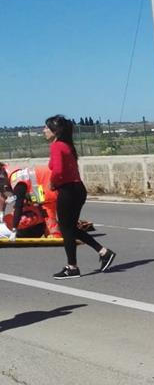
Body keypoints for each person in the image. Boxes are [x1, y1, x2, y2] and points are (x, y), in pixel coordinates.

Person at [42, 115, 116, 278]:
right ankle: (104, 252)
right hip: (77, 189)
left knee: (66, 229)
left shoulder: (57, 146)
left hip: (68, 190)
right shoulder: (66, 145)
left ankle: (72, 267)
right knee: (70, 228)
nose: (44, 130)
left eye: (46, 127)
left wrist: (52, 183)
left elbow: (58, 170)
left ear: (56, 131)